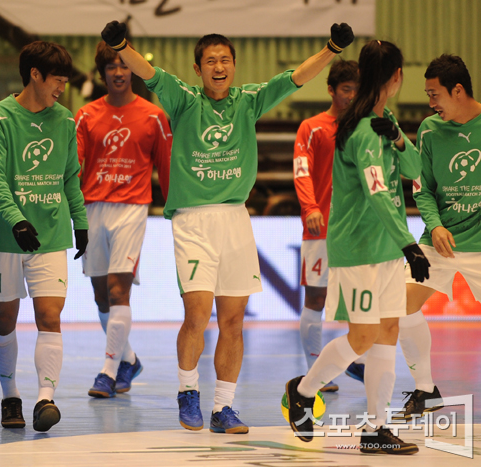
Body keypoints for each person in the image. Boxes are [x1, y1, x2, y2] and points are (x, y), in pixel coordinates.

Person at [100, 20, 354, 434]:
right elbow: (147, 73)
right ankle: (188, 392)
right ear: (198, 69)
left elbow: (295, 77)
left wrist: (331, 48)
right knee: (198, 315)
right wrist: (120, 45)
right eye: (210, 61)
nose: (219, 66)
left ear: (234, 66)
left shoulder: (248, 101)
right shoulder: (182, 99)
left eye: (225, 60)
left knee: (234, 320)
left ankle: (224, 408)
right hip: (192, 221)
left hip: (236, 218)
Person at [285, 40, 430, 454]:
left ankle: (375, 429)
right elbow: (377, 193)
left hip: (384, 247)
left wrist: (401, 139)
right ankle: (303, 389)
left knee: (387, 332)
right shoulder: (362, 129)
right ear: (397, 77)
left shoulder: (383, 125)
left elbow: (418, 171)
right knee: (364, 336)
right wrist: (409, 244)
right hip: (361, 248)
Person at [0, 41, 88, 431]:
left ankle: (45, 398)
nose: (62, 88)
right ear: (35, 75)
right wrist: (15, 220)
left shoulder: (65, 121)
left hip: (51, 236)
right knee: (4, 319)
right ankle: (10, 397)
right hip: (4, 238)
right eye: (57, 80)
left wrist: (81, 223)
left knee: (49, 316)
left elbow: (70, 177)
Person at [75, 41, 172, 398]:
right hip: (92, 208)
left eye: (124, 65)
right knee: (101, 296)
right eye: (111, 66)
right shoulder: (85, 116)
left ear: (133, 70)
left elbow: (167, 167)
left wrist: (177, 209)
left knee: (119, 290)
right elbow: (74, 169)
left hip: (132, 208)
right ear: (102, 73)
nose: (118, 72)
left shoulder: (153, 116)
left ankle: (107, 371)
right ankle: (128, 359)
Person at [396, 54, 481, 420]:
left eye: (435, 94)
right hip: (439, 239)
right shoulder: (430, 129)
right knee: (398, 305)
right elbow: (423, 188)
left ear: (457, 90)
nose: (430, 103)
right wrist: (436, 225)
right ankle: (426, 389)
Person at [294, 59, 365, 392]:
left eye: (357, 90)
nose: (352, 96)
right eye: (346, 89)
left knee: (362, 298)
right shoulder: (311, 127)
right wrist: (309, 207)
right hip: (320, 230)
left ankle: (360, 362)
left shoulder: (366, 127)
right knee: (316, 299)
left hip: (357, 230)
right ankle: (314, 373)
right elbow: (301, 171)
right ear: (331, 90)